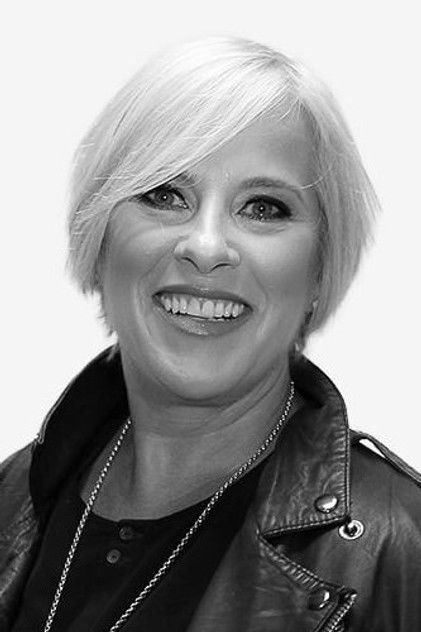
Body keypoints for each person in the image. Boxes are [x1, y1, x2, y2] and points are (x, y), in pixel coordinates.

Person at [1, 35, 420, 632]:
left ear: (319, 271)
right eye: (165, 194)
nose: (205, 246)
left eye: (263, 208)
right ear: (99, 239)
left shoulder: (398, 549)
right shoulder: (13, 499)